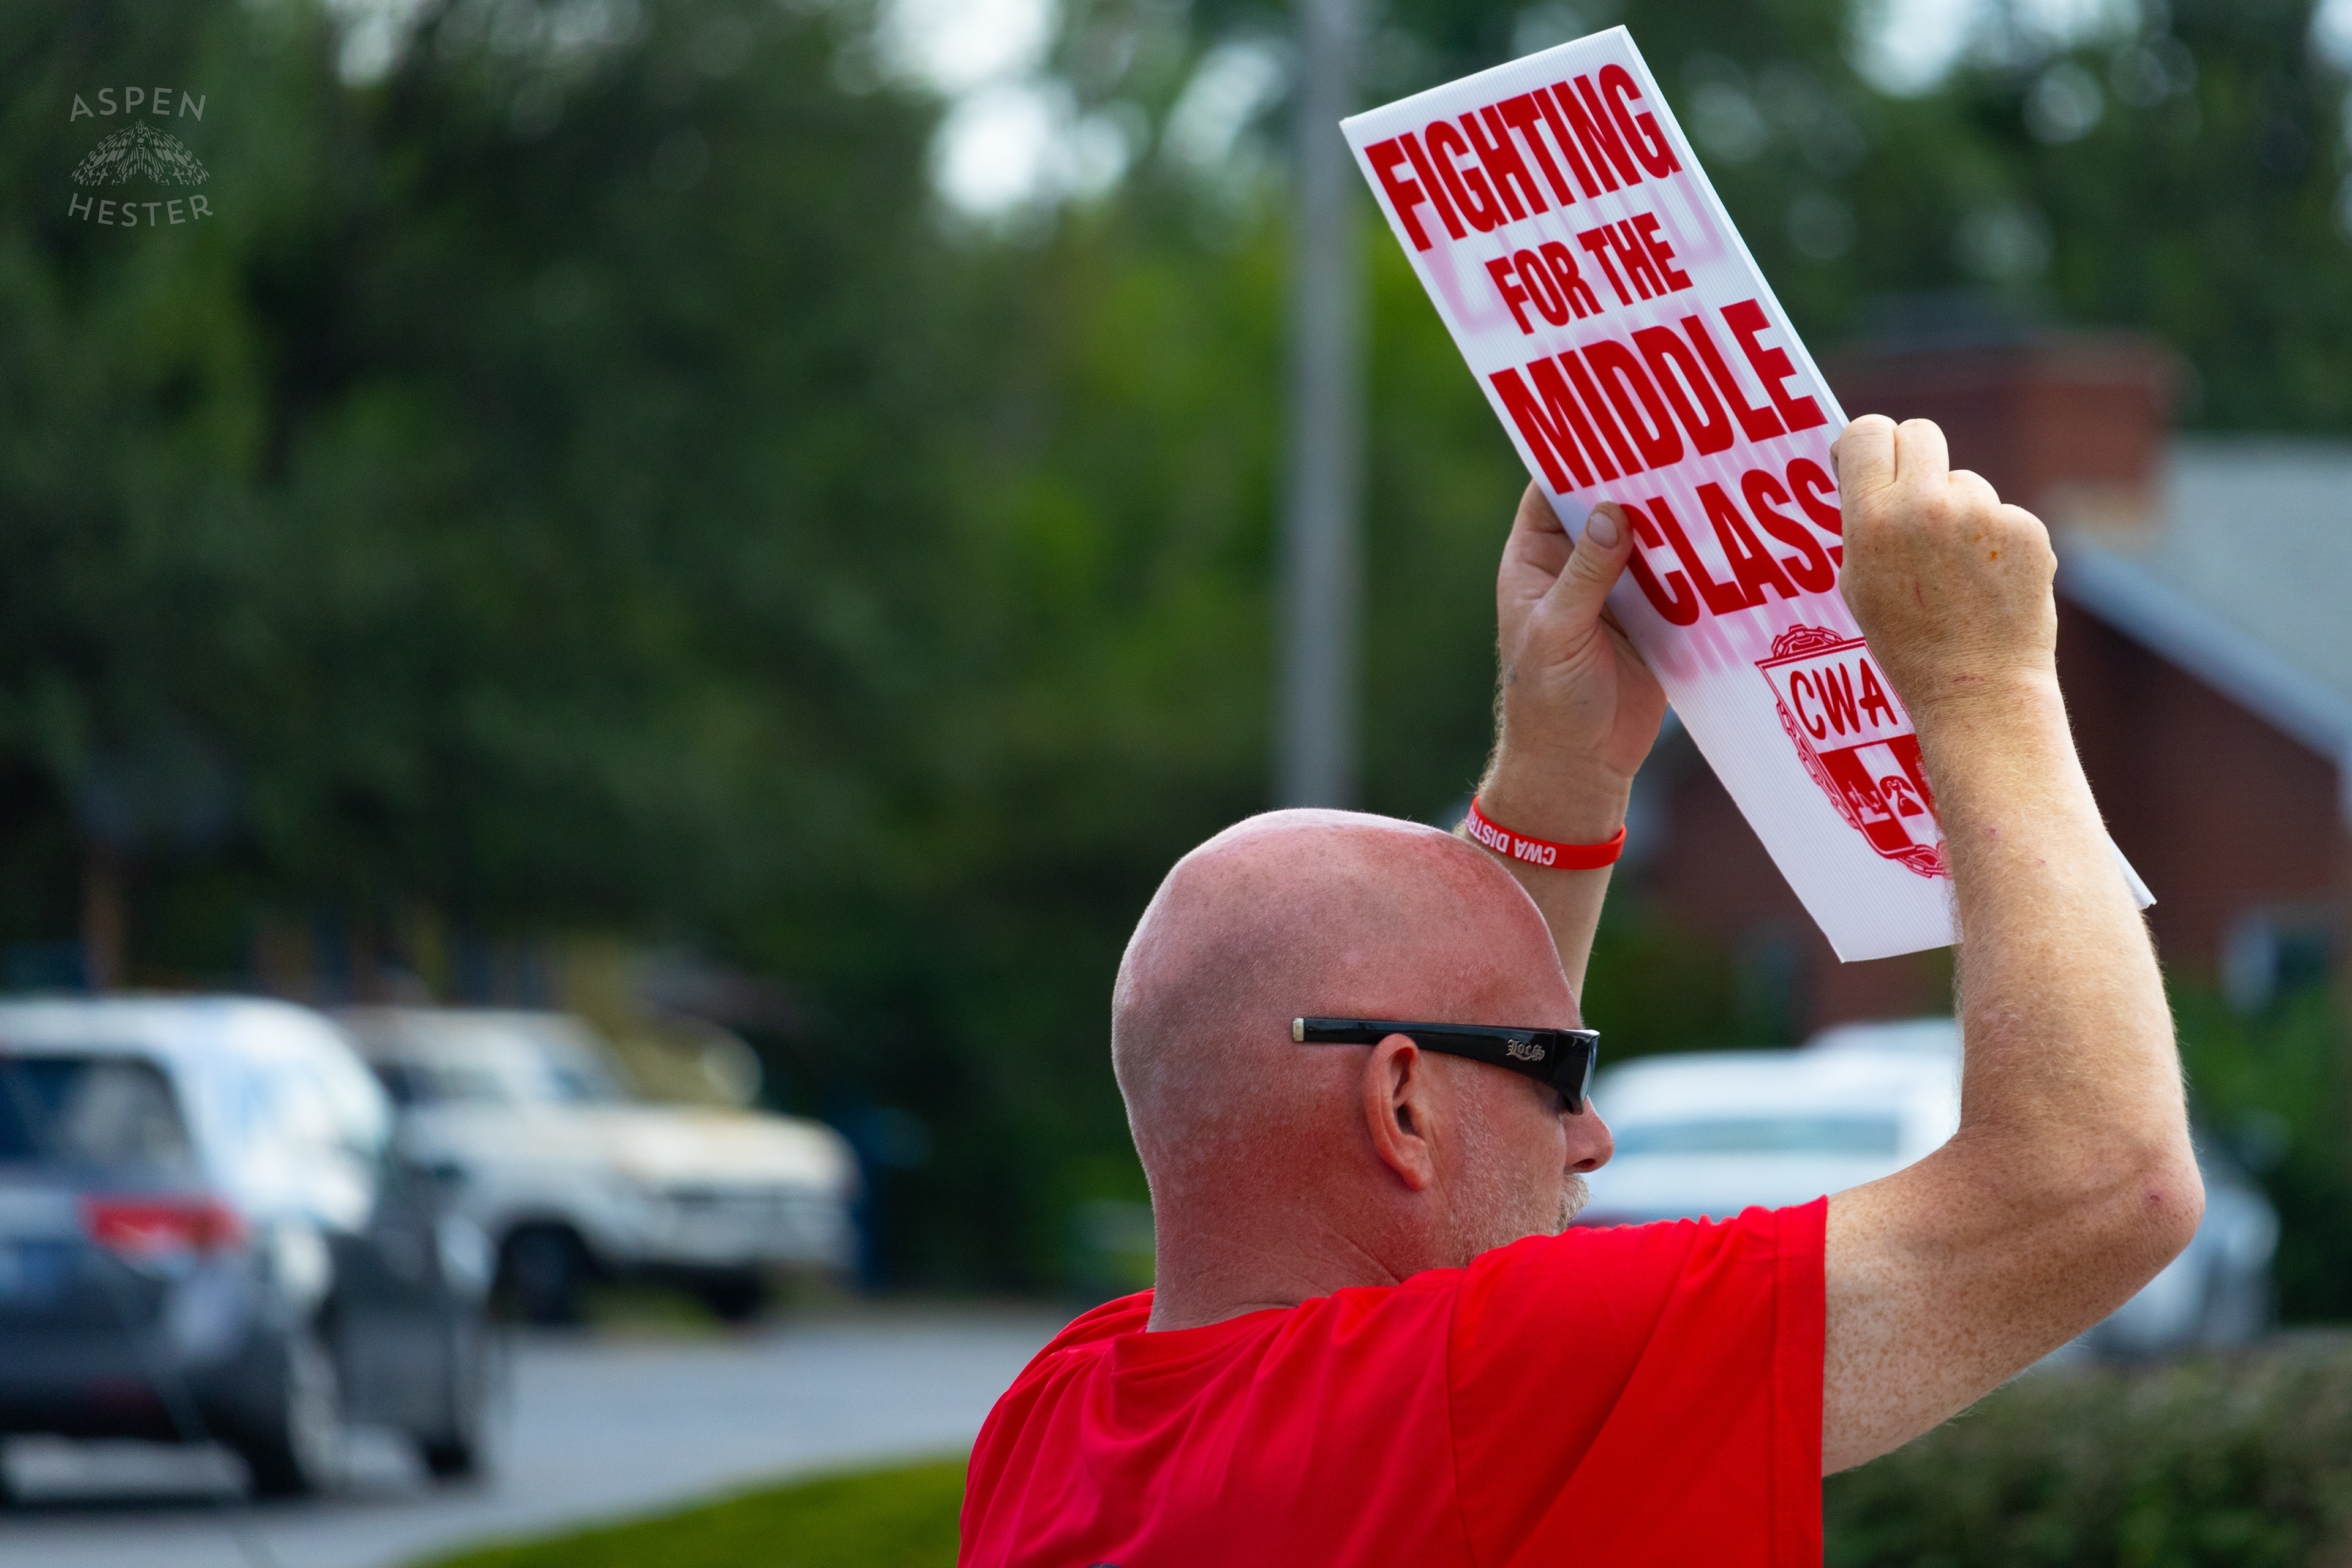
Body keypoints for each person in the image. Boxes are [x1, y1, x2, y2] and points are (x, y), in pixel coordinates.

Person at [959, 417, 2201, 1565]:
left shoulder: (1057, 1421)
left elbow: (1466, 1009)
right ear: (1401, 1106)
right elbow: (2104, 1184)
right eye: (1557, 1074)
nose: (1595, 1133)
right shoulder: (1479, 1387)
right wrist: (1985, 685)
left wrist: (1564, 774)